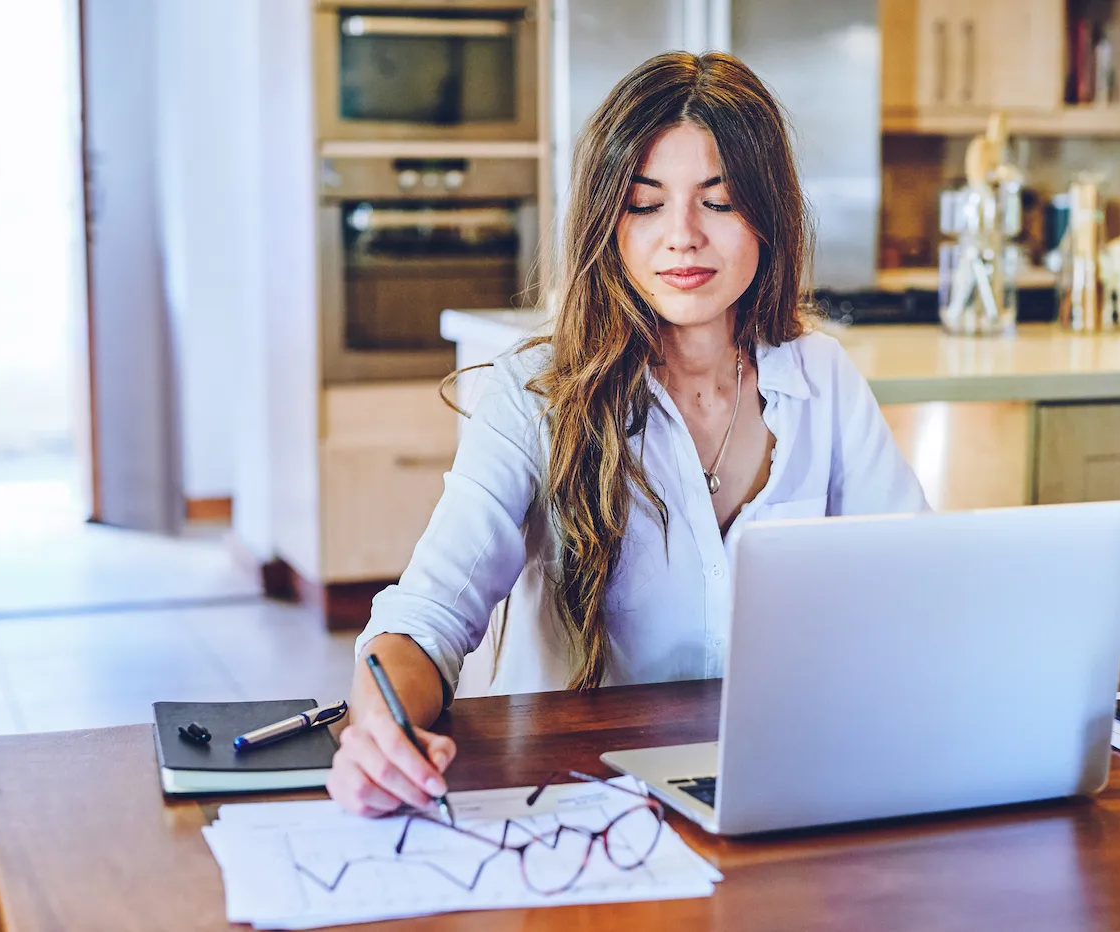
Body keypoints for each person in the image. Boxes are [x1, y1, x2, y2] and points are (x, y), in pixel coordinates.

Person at [327, 51, 929, 816]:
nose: (682, 237)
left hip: (781, 787)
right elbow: (427, 617)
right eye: (645, 204)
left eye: (720, 201)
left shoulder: (822, 378)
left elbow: (916, 593)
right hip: (583, 805)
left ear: (769, 216)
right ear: (606, 221)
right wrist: (379, 728)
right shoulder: (535, 393)